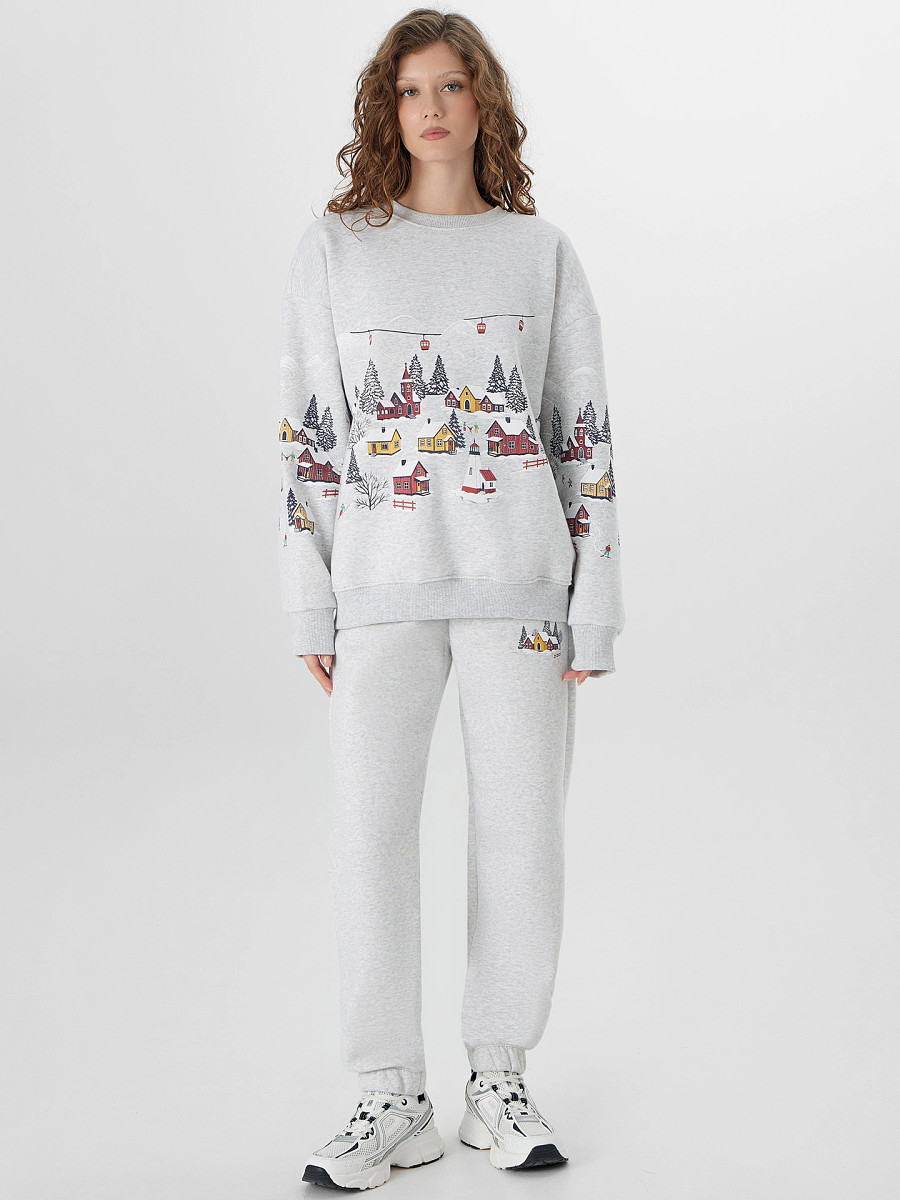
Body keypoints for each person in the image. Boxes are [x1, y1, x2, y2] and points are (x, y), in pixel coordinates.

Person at [278, 9, 625, 1189]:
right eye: (410, 89)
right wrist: (307, 599)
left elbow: (583, 432)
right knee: (369, 837)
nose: (431, 108)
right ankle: (389, 1094)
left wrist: (596, 599)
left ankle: (498, 1079)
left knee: (521, 835)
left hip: (521, 589)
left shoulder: (542, 254)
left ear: (486, 103)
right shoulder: (336, 250)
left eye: (453, 86)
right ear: (388, 109)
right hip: (377, 588)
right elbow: (309, 434)